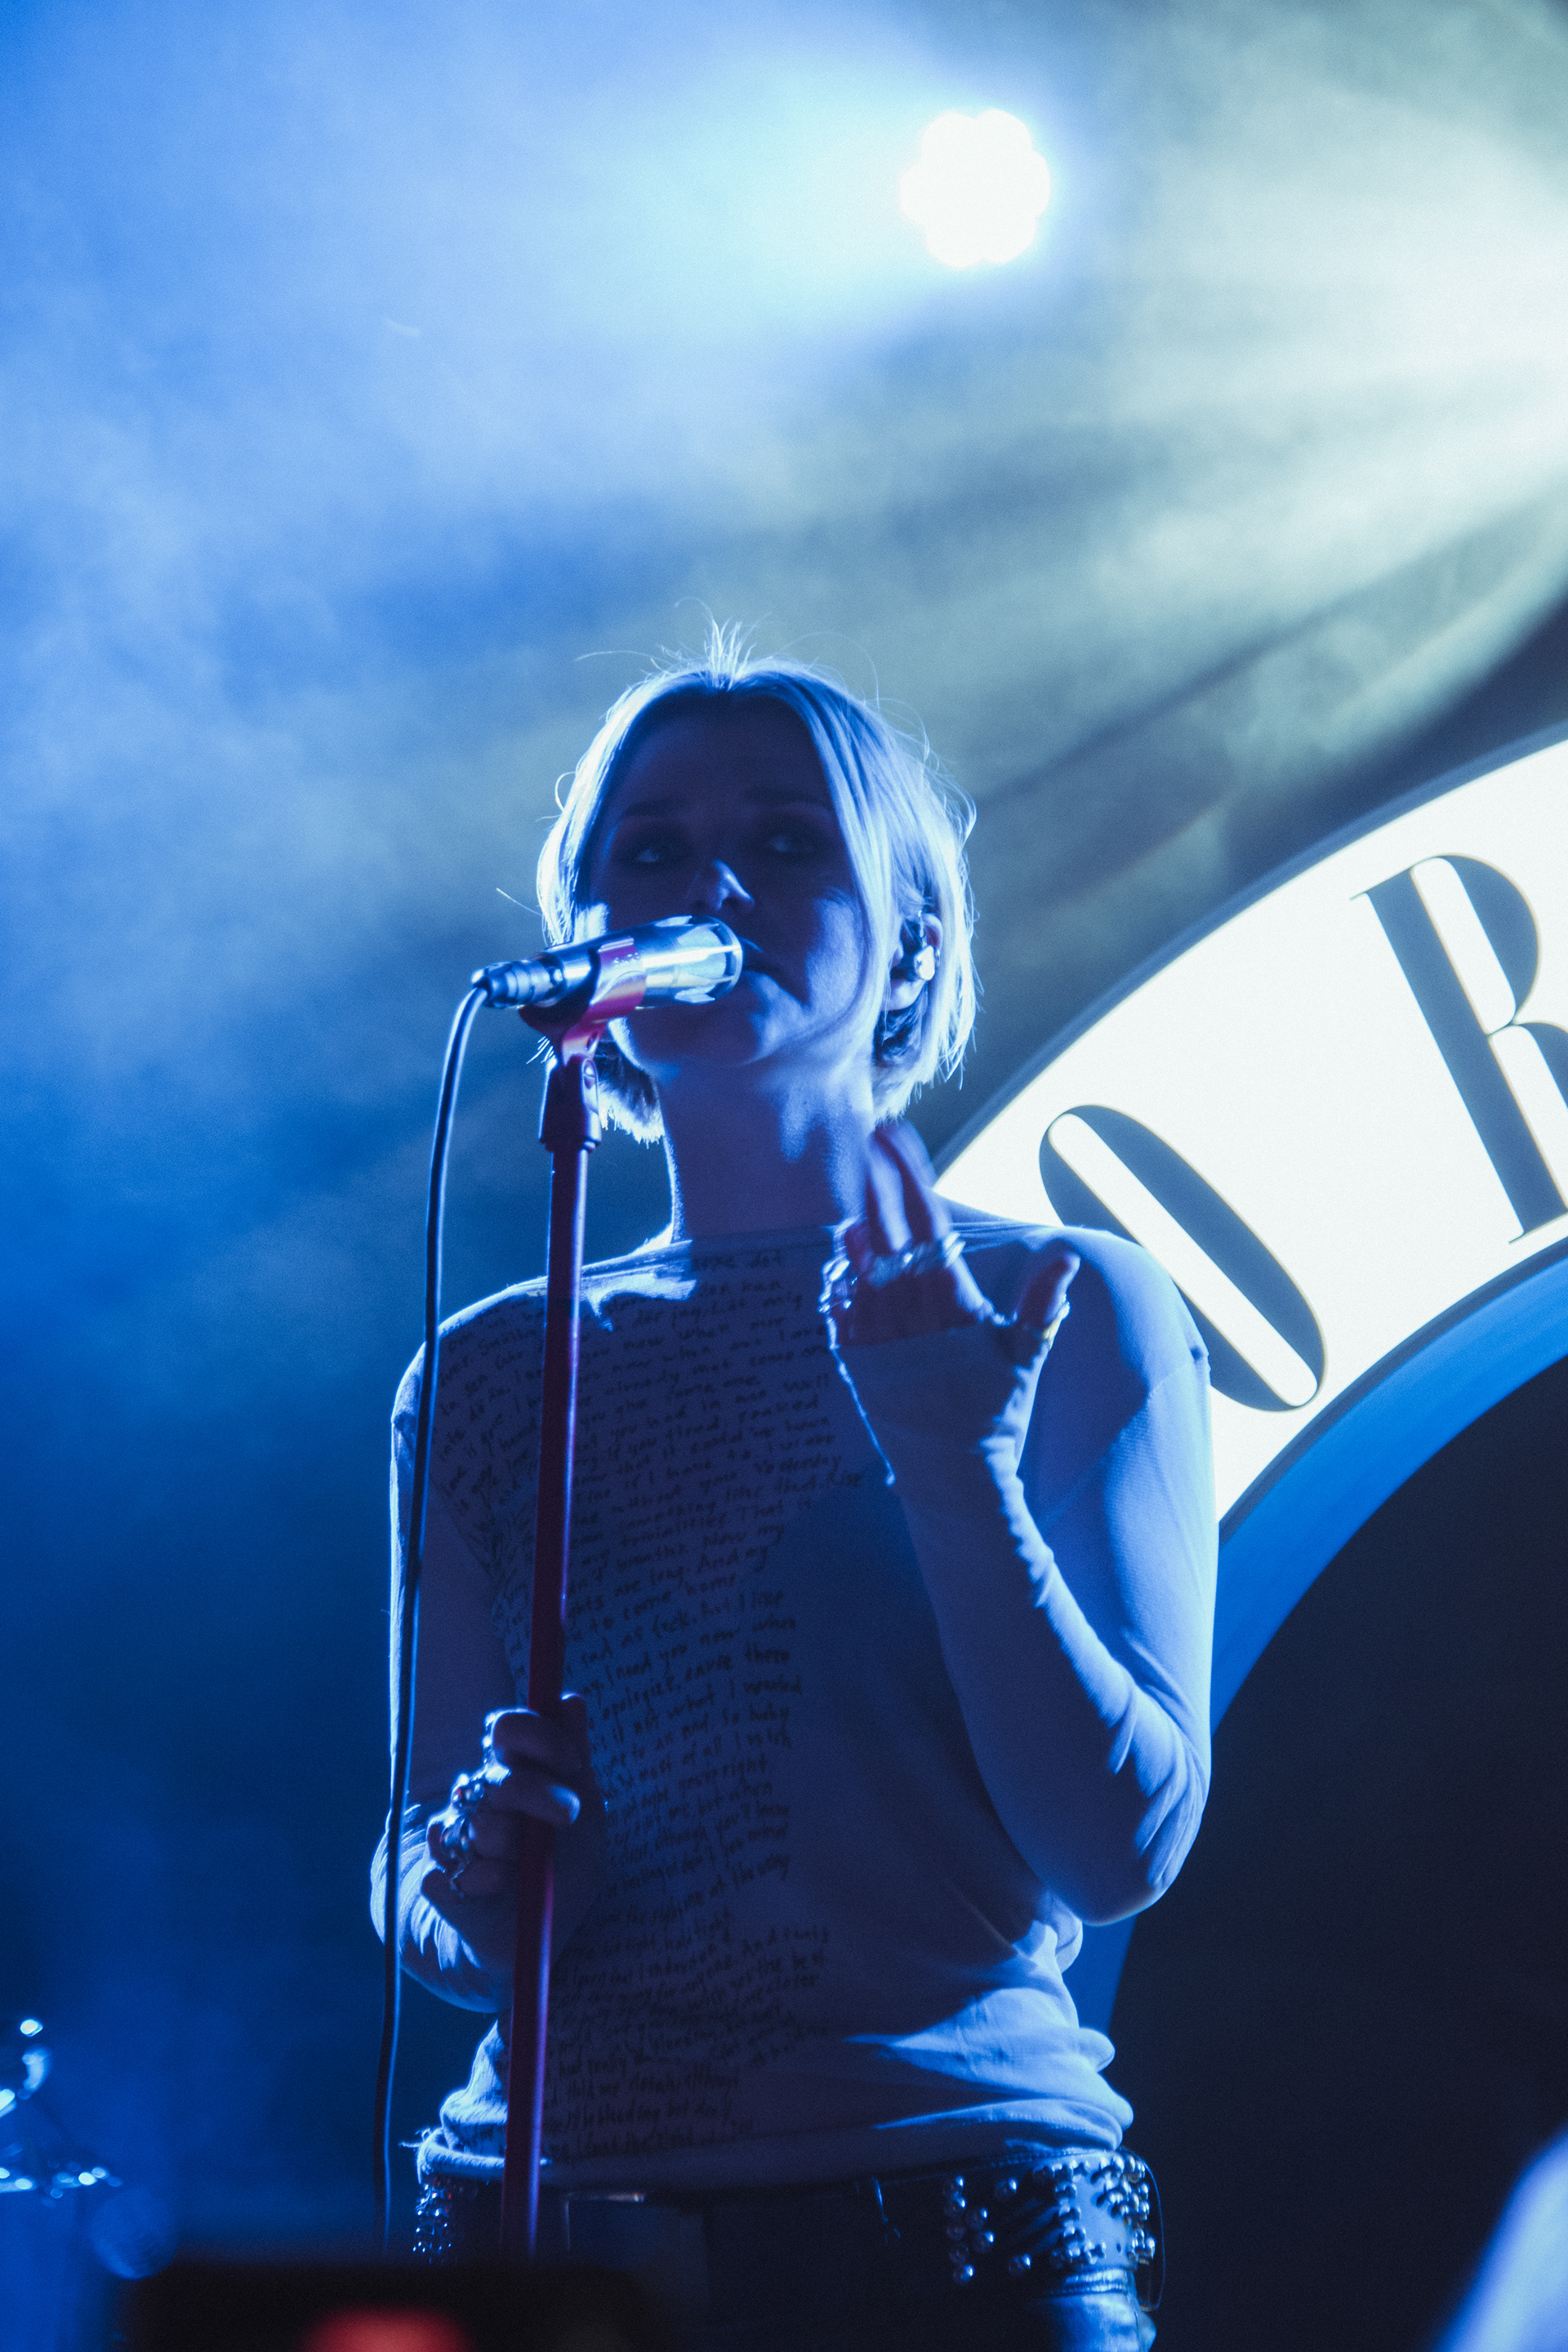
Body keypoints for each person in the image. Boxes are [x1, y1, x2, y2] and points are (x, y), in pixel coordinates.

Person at [372, 630, 1217, 2351]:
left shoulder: (1060, 1300)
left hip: (943, 2234)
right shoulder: (485, 1367)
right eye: (654, 848)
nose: (715, 886)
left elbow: (1120, 1842)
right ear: (590, 935)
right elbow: (409, 1861)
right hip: (538, 2232)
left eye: (785, 839)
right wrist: (473, 1887)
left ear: (912, 940)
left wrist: (955, 1463)